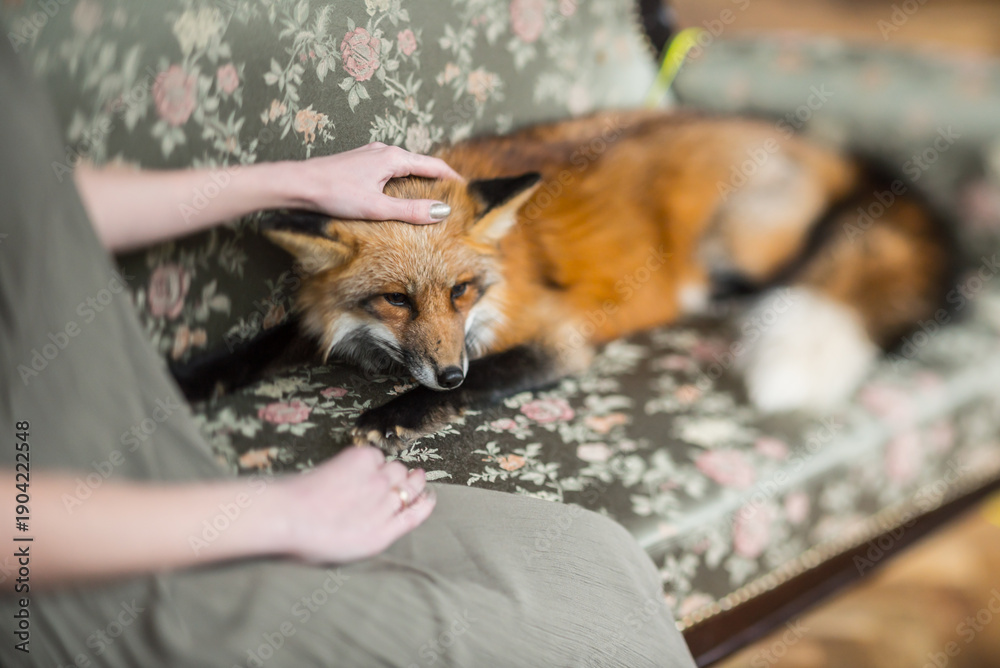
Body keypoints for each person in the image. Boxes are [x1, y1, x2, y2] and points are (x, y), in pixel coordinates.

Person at [0, 38, 696, 667]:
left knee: (597, 558)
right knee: (599, 649)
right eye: (397, 305)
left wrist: (291, 182)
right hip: (66, 572)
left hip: (144, 448)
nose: (443, 345)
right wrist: (277, 513)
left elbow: (42, 204)